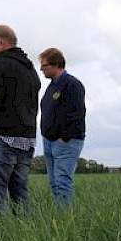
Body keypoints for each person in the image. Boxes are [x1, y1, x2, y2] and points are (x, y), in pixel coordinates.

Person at [0, 25, 40, 211]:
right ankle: (25, 232)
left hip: (2, 138)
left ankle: (0, 236)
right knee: (20, 194)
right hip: (27, 139)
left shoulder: (0, 67)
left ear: (1, 42)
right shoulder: (30, 70)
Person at [38, 47, 85, 207]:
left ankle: (65, 219)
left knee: (62, 181)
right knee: (54, 182)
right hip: (49, 141)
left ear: (56, 64)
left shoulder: (72, 84)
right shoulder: (52, 86)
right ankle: (60, 215)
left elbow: (77, 114)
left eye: (44, 66)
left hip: (65, 142)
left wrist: (64, 137)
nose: (41, 69)